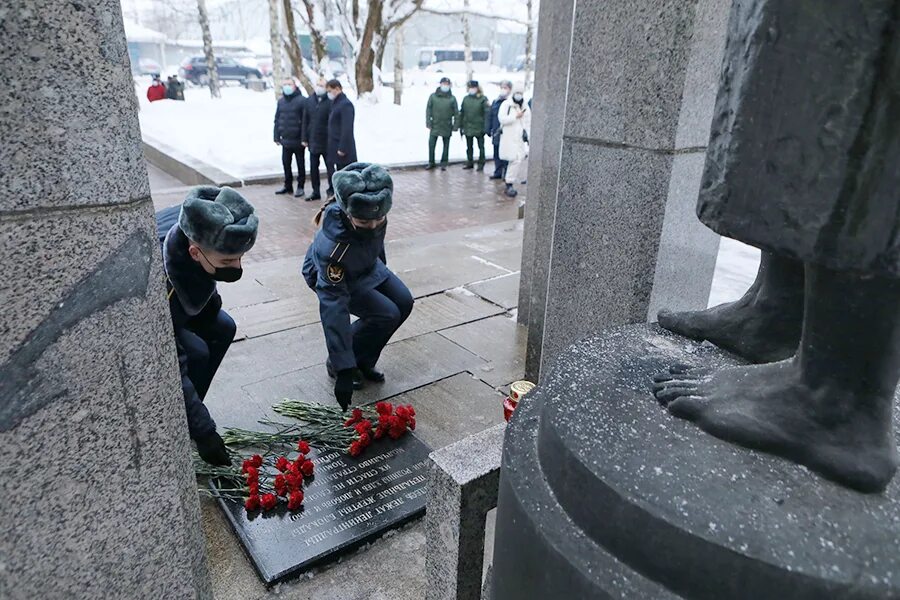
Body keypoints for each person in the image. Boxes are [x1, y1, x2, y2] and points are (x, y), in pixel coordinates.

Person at [156, 186, 259, 465]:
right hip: (149, 318)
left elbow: (202, 281)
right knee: (197, 353)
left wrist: (210, 304)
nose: (236, 267)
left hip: (182, 297)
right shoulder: (162, 283)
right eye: (227, 261)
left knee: (224, 327)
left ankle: (190, 408)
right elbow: (169, 362)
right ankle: (184, 419)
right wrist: (205, 432)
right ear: (194, 253)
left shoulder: (203, 225)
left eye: (239, 258)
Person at [302, 163, 413, 411]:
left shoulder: (373, 210)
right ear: (347, 213)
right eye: (364, 221)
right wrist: (342, 367)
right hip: (338, 277)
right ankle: (340, 361)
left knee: (404, 302)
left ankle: (364, 360)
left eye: (379, 219)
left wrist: (382, 276)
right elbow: (333, 306)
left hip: (366, 265)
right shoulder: (333, 248)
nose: (373, 226)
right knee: (386, 314)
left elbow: (375, 244)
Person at [274, 78, 307, 198]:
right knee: (286, 164)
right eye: (285, 84)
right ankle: (288, 185)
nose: (287, 86)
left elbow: (305, 121)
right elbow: (277, 119)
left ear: (295, 86)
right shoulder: (281, 101)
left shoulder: (302, 101)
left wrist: (304, 138)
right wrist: (276, 136)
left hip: (298, 140)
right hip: (285, 139)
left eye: (289, 84)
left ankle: (300, 186)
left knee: (300, 164)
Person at [325, 79, 357, 200]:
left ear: (337, 89)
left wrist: (342, 147)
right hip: (335, 145)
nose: (329, 94)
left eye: (330, 91)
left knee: (347, 174)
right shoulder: (336, 103)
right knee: (341, 173)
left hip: (343, 148)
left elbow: (347, 128)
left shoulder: (345, 104)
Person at [498, 84, 531, 197]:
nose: (519, 95)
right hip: (509, 137)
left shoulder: (525, 106)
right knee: (511, 159)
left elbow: (528, 122)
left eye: (520, 93)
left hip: (519, 139)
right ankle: (508, 182)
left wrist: (528, 136)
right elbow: (501, 119)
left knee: (517, 159)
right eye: (517, 93)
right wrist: (515, 117)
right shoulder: (506, 104)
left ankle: (509, 181)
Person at [303, 76, 333, 201]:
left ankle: (331, 190)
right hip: (313, 141)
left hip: (327, 141)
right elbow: (305, 120)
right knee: (313, 168)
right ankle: (316, 191)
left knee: (330, 168)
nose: (319, 87)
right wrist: (304, 138)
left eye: (322, 85)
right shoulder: (310, 100)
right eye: (318, 84)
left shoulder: (330, 102)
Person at [425, 76, 458, 171]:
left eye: (447, 84)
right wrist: (428, 121)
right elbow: (428, 110)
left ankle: (444, 162)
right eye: (444, 84)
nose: (445, 86)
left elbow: (456, 113)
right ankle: (431, 162)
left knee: (446, 145)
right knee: (431, 144)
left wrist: (455, 125)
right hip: (435, 124)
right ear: (440, 85)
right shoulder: (433, 96)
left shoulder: (452, 99)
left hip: (447, 125)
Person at [458, 80, 489, 171]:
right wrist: (461, 125)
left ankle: (481, 163)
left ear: (477, 88)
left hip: (479, 127)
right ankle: (470, 162)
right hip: (468, 126)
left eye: (473, 88)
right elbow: (462, 112)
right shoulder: (466, 99)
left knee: (481, 147)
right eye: (470, 87)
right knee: (469, 147)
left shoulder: (483, 99)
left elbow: (487, 114)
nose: (471, 89)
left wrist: (485, 127)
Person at [487, 81, 511, 180]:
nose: (503, 90)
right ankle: (498, 172)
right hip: (496, 132)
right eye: (502, 87)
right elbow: (491, 116)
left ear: (509, 89)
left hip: (507, 133)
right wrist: (488, 128)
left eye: (505, 88)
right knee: (496, 153)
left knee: (506, 154)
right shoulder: (495, 102)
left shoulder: (511, 103)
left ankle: (506, 173)